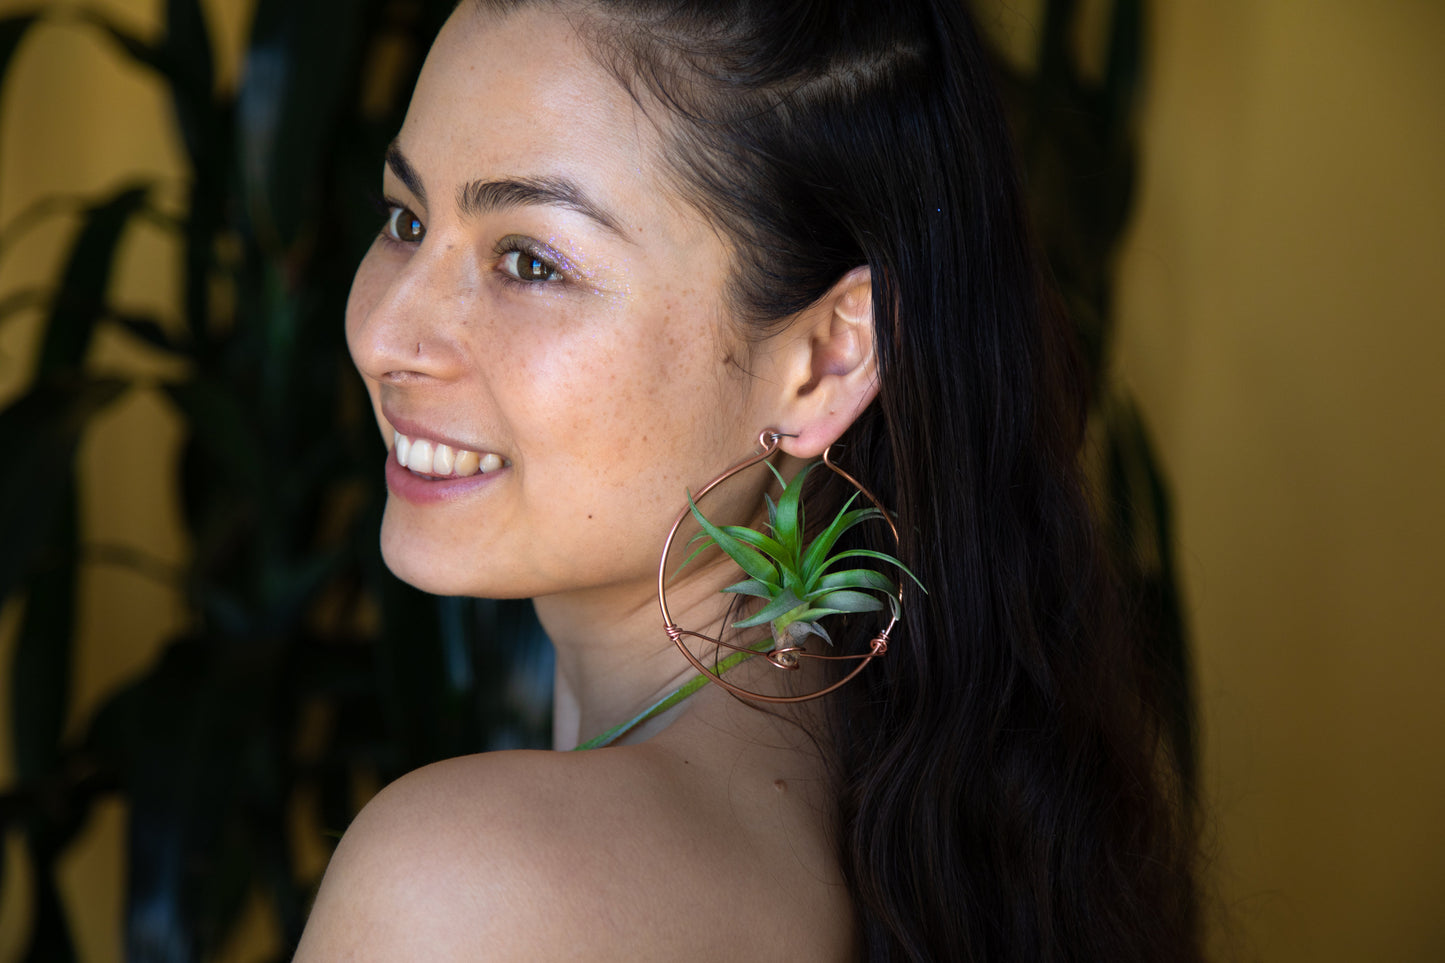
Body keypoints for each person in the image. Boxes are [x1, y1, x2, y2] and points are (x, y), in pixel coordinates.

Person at [295, 1, 1202, 959]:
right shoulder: (921, 813)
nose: (384, 333)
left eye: (530, 262)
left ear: (823, 360)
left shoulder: (469, 889)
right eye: (404, 219)